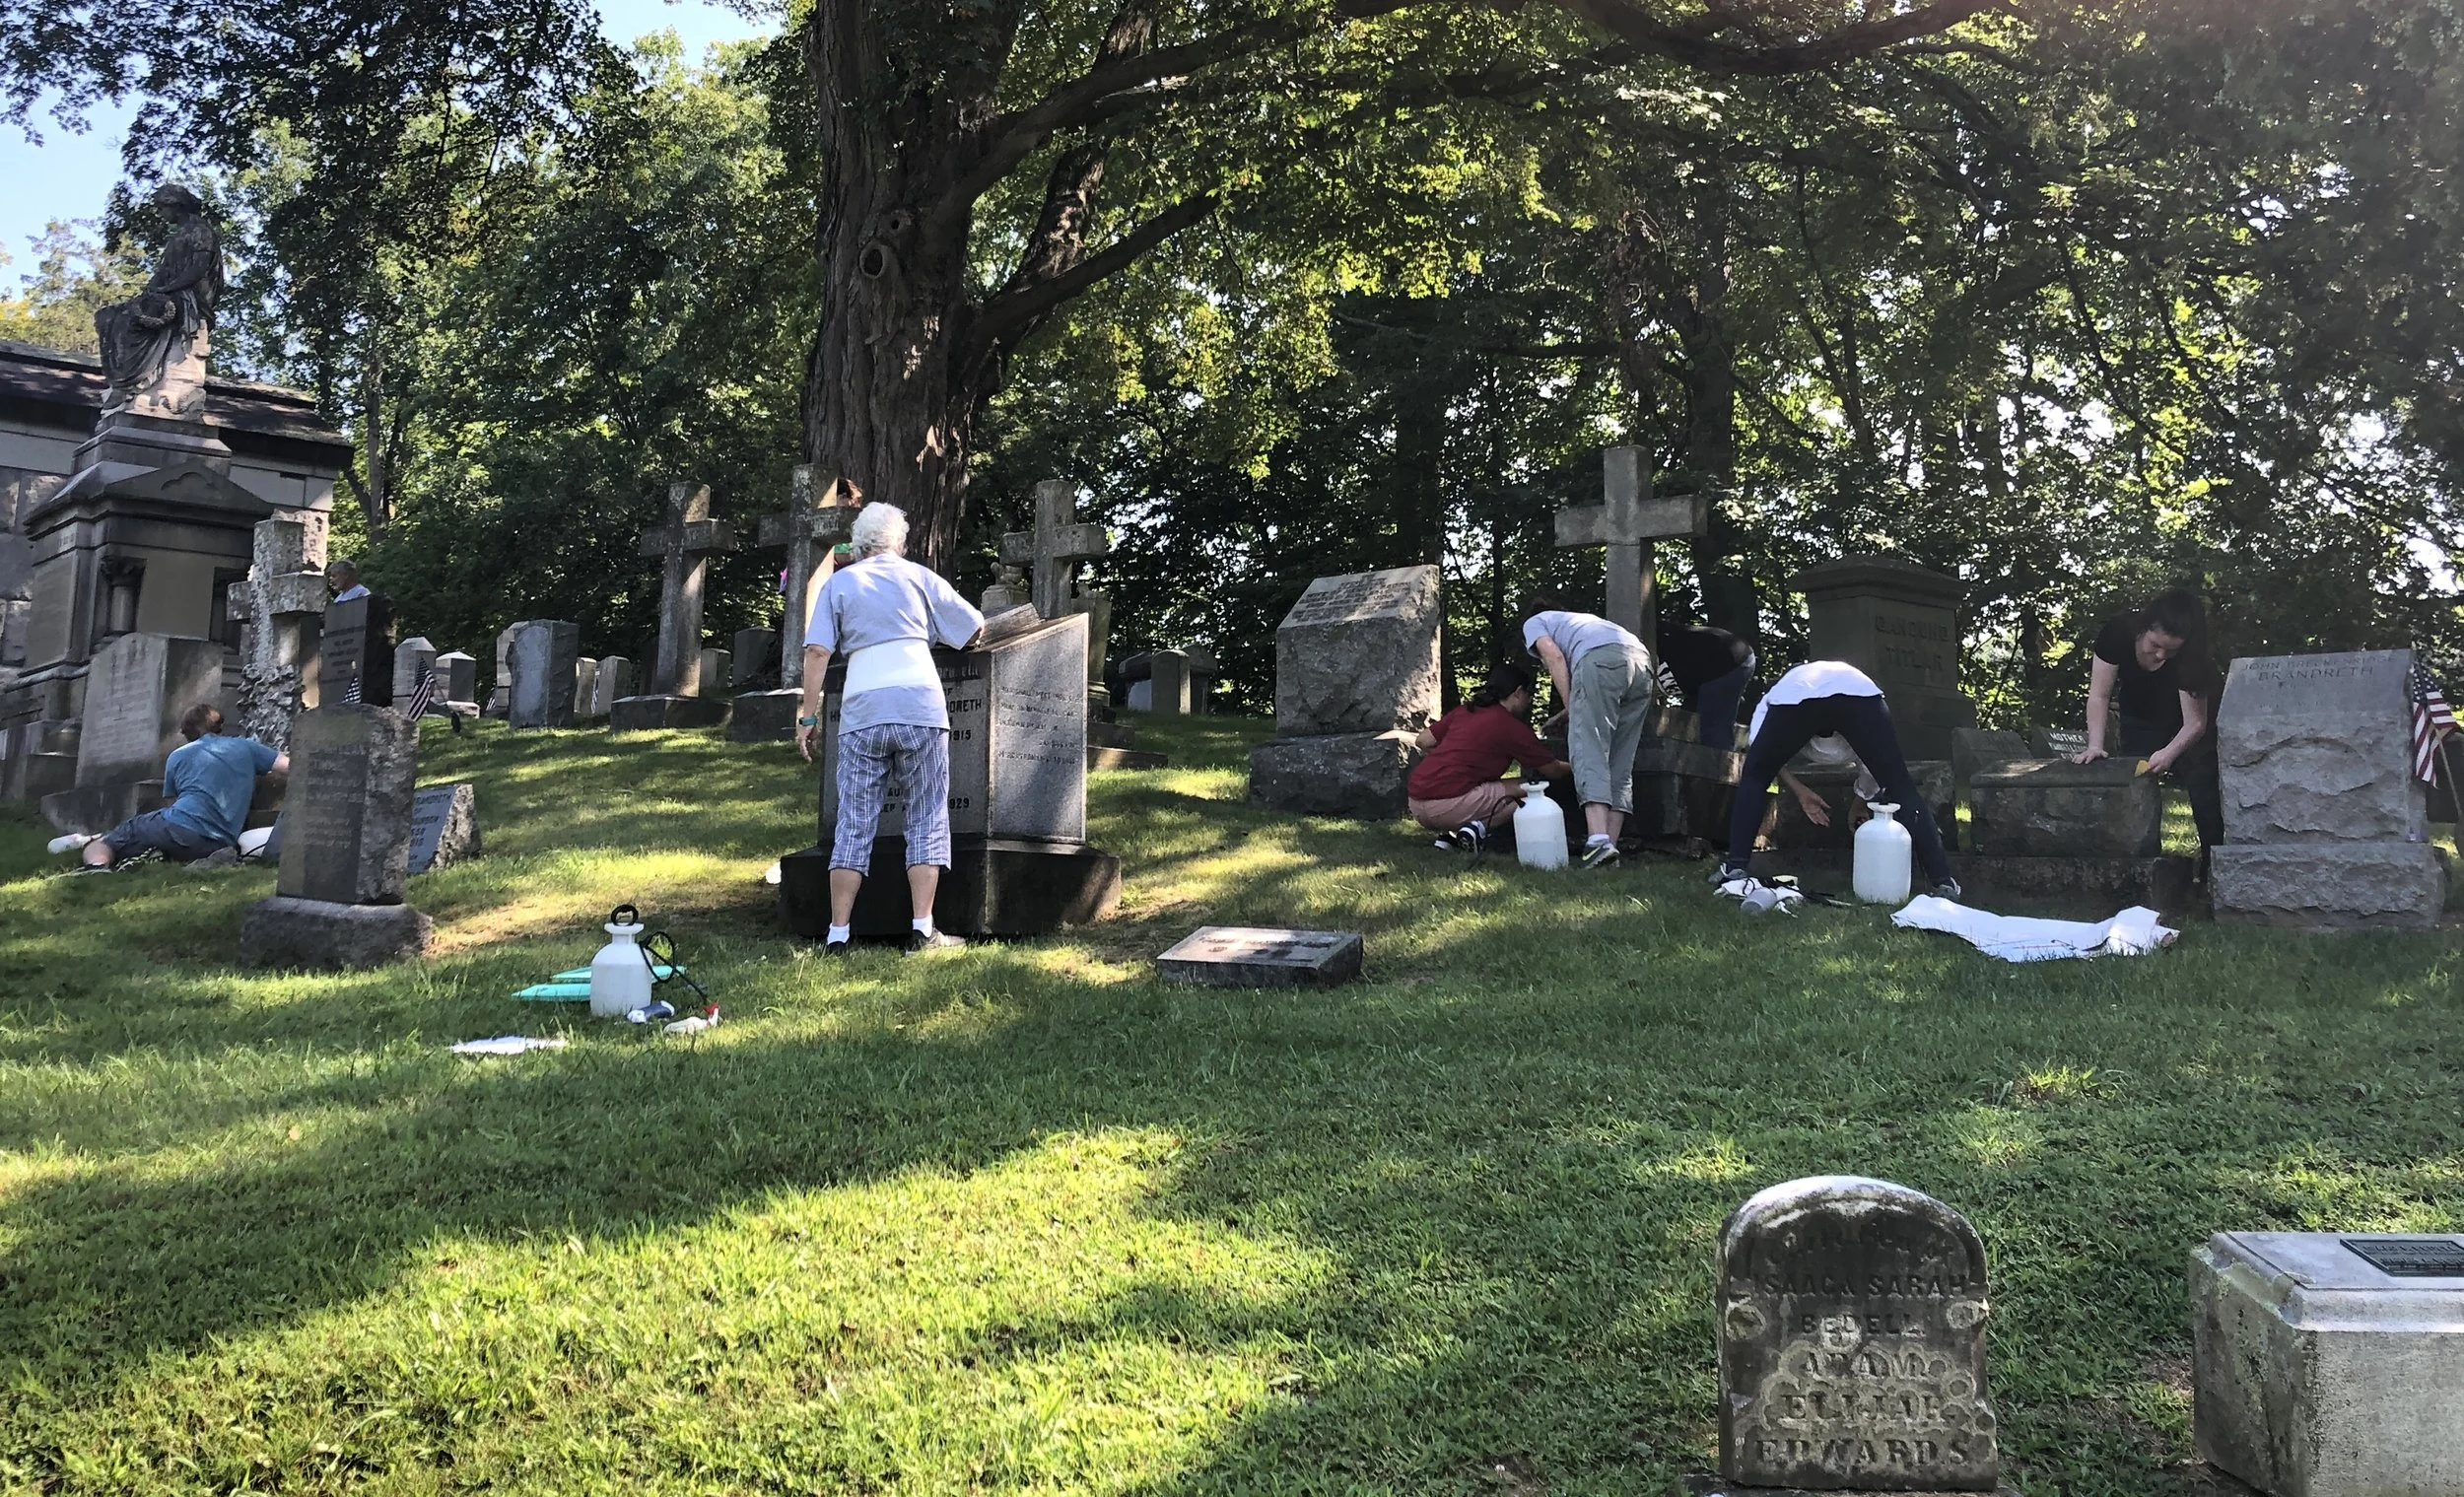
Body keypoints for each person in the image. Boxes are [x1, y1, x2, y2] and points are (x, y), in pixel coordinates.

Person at [793, 503, 985, 955]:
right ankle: (922, 929)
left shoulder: (840, 584)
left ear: (859, 545)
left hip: (862, 711)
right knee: (926, 817)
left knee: (855, 822)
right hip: (920, 705)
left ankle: (838, 933)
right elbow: (972, 626)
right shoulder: (919, 577)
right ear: (899, 541)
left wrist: (808, 717)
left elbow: (817, 653)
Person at [1719, 660, 1960, 899]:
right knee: (1900, 786)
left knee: (1753, 778)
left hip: (1800, 702)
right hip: (1860, 699)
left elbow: (1759, 760)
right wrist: (1803, 792)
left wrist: (1858, 802)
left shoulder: (1779, 693)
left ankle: (1735, 868)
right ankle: (1943, 882)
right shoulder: (1797, 689)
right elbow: (1877, 770)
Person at [2072, 588, 2223, 854]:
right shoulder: (2117, 634)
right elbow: (2098, 695)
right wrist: (2095, 744)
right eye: (2155, 645)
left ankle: (2212, 866)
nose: (2161, 656)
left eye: (2171, 650)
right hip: (2139, 716)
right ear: (2144, 628)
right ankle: (2138, 861)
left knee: (2204, 792)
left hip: (2189, 728)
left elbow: (2196, 723)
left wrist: (2169, 753)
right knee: (2131, 786)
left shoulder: (2193, 661)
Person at [48, 705, 286, 869]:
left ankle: (95, 864)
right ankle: (140, 852)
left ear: (186, 732)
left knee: (112, 840)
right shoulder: (247, 747)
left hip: (179, 828)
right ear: (219, 726)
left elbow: (172, 804)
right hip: (220, 841)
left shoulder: (178, 756)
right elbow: (290, 765)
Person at [1522, 600, 1657, 869]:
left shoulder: (1535, 622)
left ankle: (1597, 841)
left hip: (1601, 661)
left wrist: (1571, 709)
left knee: (1589, 749)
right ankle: (1610, 850)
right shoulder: (1584, 621)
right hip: (1642, 665)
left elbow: (1555, 657)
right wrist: (1565, 714)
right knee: (1621, 760)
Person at [1408, 663, 1572, 854]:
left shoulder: (1465, 711)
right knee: (1533, 791)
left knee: (1493, 787)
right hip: (1450, 805)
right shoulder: (1510, 726)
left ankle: (1450, 837)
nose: (1529, 700)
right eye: (1529, 694)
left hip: (1416, 803)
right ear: (1518, 692)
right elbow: (1552, 770)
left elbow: (1422, 741)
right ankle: (1476, 829)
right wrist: (1581, 765)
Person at [1659, 622, 1756, 747]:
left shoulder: (1652, 640)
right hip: (1703, 676)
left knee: (1713, 731)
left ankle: (1719, 763)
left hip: (1727, 657)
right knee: (1686, 722)